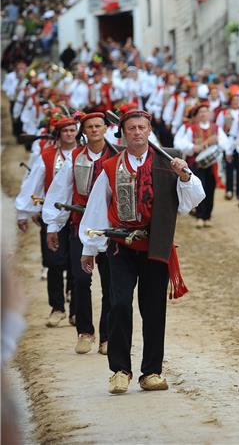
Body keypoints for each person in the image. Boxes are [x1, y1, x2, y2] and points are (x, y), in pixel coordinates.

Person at [79, 109, 205, 394]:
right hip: (120, 246)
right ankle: (120, 370)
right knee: (120, 304)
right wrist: (89, 247)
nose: (137, 132)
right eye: (132, 128)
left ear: (149, 130)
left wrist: (184, 176)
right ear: (123, 133)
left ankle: (151, 372)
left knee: (153, 308)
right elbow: (98, 207)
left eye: (142, 127)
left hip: (155, 246)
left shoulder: (166, 163)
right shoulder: (111, 167)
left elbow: (192, 201)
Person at [41, 112, 116, 355]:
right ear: (84, 130)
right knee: (81, 280)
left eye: (98, 126)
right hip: (80, 227)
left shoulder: (117, 155)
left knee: (111, 285)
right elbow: (59, 192)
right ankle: (85, 332)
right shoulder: (75, 157)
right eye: (90, 126)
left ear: (106, 129)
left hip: (109, 229)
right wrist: (53, 225)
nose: (94, 130)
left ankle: (107, 336)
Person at [16, 115, 79, 328]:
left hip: (79, 216)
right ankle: (57, 307)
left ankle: (76, 310)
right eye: (66, 131)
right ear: (59, 134)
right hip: (52, 215)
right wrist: (23, 213)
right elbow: (32, 183)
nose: (70, 134)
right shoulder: (48, 156)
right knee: (54, 262)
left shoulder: (84, 155)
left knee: (75, 263)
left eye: (73, 130)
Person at [175, 102, 231, 228]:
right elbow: (183, 144)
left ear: (209, 114)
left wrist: (218, 142)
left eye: (206, 112)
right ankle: (200, 216)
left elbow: (225, 144)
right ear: (198, 115)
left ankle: (208, 216)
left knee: (211, 188)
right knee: (200, 188)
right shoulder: (192, 129)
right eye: (201, 112)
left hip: (212, 164)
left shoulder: (216, 128)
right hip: (196, 163)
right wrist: (198, 146)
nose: (204, 114)